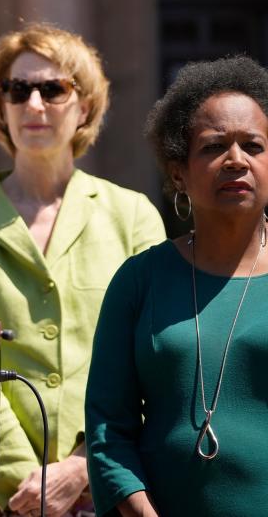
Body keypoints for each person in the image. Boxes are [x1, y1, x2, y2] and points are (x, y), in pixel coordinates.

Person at [0, 24, 165, 516]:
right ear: (1, 106)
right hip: (2, 498)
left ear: (85, 106)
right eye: (18, 90)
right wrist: (24, 483)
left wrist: (85, 467)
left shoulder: (132, 215)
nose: (34, 104)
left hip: (111, 489)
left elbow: (158, 358)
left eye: (53, 89)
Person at [86, 55, 268, 516]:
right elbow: (108, 429)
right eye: (212, 147)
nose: (236, 160)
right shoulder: (139, 280)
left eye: (254, 146)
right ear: (178, 172)